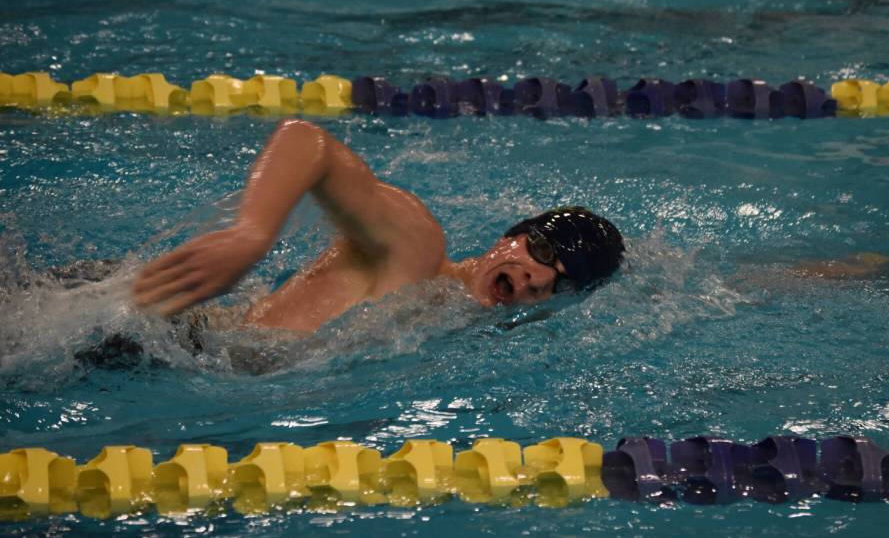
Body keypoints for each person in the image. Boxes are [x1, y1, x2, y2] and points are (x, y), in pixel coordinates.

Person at [132, 119, 625, 334]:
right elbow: (308, 142)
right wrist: (250, 236)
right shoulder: (415, 246)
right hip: (165, 327)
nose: (537, 276)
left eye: (560, 279)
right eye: (538, 248)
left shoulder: (450, 330)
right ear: (507, 236)